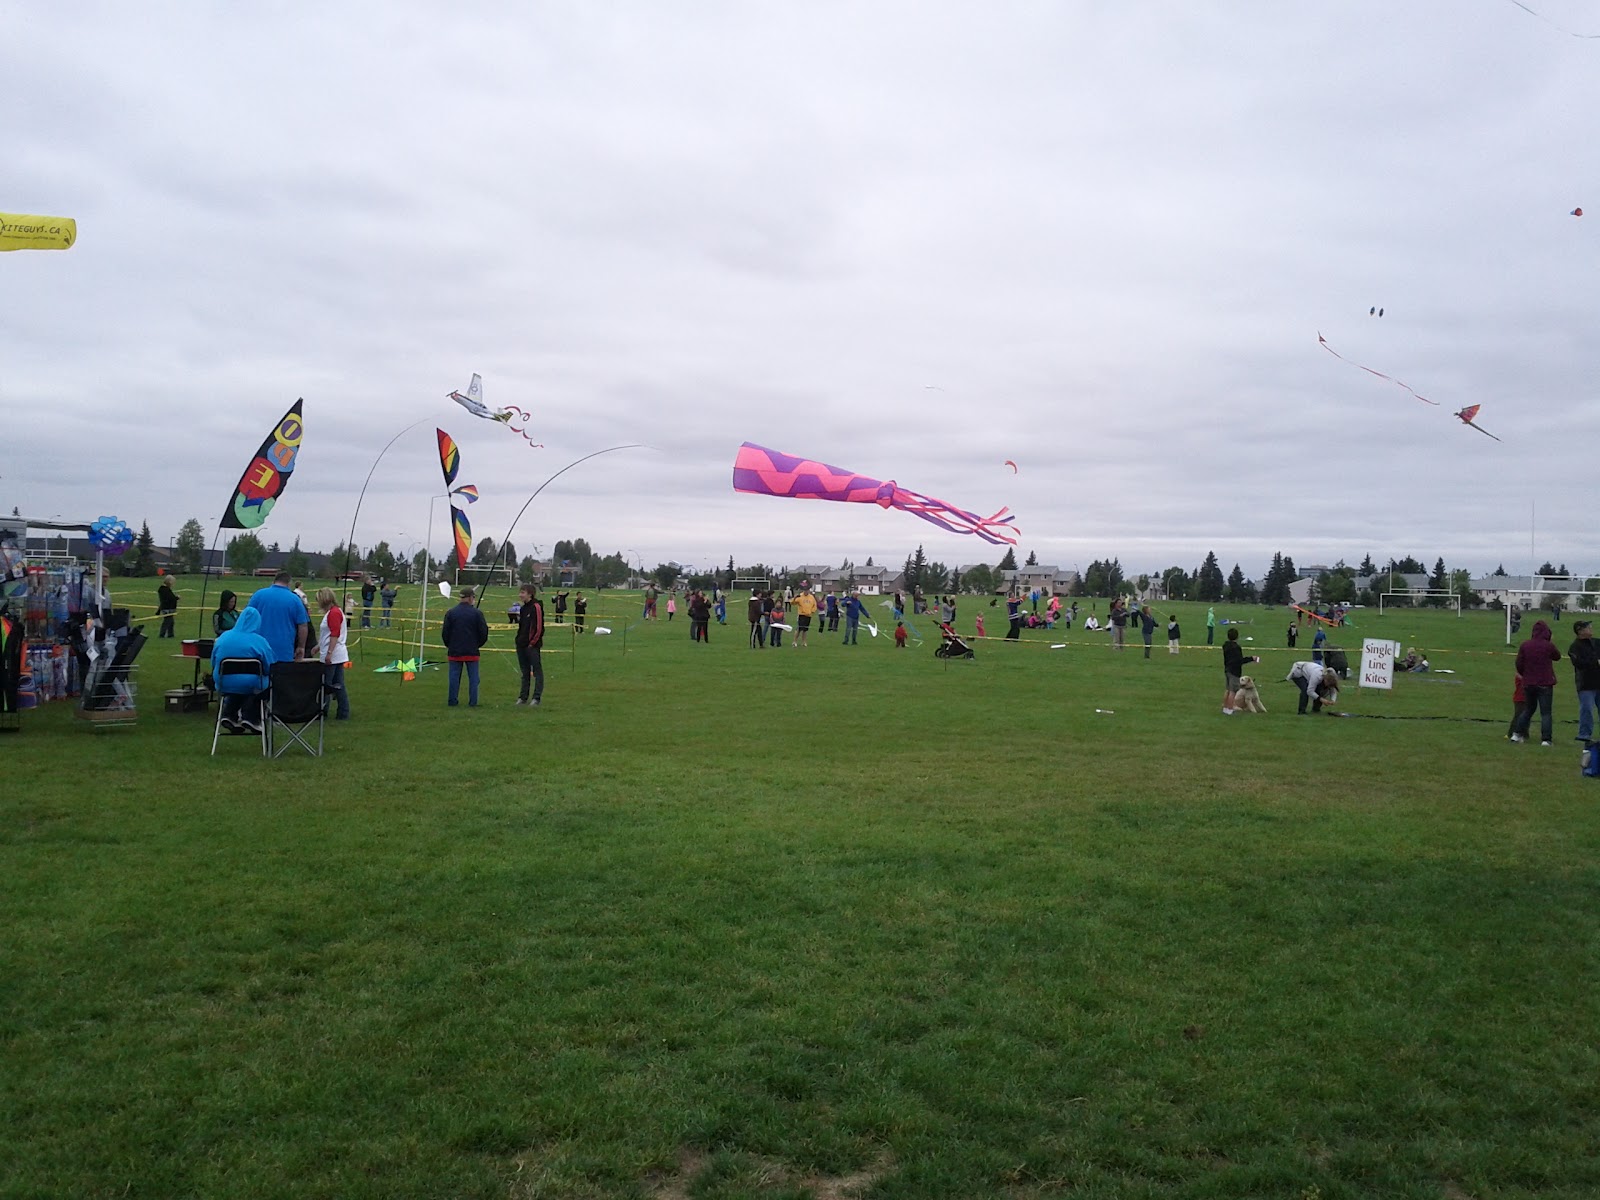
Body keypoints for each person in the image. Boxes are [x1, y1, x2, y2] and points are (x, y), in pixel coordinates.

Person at [210, 606, 273, 732]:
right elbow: (270, 666)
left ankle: (229, 714)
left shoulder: (223, 638)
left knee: (238, 685)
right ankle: (251, 717)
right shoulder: (259, 641)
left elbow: (213, 661)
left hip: (224, 681)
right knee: (259, 684)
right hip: (252, 683)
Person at [1510, 619, 1562, 745]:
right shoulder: (1548, 645)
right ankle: (1546, 739)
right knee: (1545, 713)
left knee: (1528, 709)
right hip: (1545, 682)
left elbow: (1519, 663)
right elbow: (1557, 656)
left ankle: (1516, 734)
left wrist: (1525, 674)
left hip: (1529, 682)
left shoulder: (1525, 645)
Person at [440, 585, 489, 707]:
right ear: (470, 598)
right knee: (473, 679)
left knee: (454, 678)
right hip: (472, 651)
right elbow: (483, 633)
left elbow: (445, 633)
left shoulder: (451, 613)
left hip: (454, 651)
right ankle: (473, 702)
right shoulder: (477, 613)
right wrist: (477, 644)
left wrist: (449, 645)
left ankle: (452, 701)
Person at [247, 570, 310, 663]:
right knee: (282, 676)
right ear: (289, 583)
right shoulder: (295, 600)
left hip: (258, 648)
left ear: (273, 581)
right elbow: (303, 626)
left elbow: (247, 619)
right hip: (284, 650)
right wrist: (301, 647)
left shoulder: (258, 595)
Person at [315, 588, 351, 720]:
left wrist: (329, 653)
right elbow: (328, 634)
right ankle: (343, 712)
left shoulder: (333, 613)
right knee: (338, 684)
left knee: (326, 684)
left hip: (333, 655)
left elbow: (334, 634)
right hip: (337, 654)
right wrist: (318, 647)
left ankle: (322, 711)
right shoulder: (334, 612)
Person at [1569, 620, 1600, 743]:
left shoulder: (1596, 643)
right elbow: (1579, 663)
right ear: (1580, 631)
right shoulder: (1575, 647)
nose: (1591, 628)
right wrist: (1595, 663)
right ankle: (1584, 734)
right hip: (1585, 684)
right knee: (1587, 709)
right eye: (1588, 627)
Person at [514, 584, 545, 706]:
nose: (520, 595)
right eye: (520, 592)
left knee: (537, 672)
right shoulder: (523, 609)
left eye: (523, 592)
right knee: (524, 672)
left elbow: (539, 627)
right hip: (521, 644)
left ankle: (536, 698)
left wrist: (532, 643)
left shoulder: (536, 607)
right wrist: (518, 640)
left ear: (530, 594)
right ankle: (523, 697)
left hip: (532, 646)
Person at [1222, 627, 1259, 715]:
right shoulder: (1236, 647)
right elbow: (1240, 660)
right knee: (1233, 691)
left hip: (1227, 669)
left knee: (1227, 689)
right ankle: (1230, 709)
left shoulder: (1225, 645)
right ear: (1237, 637)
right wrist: (1251, 658)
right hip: (1234, 671)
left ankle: (1225, 707)